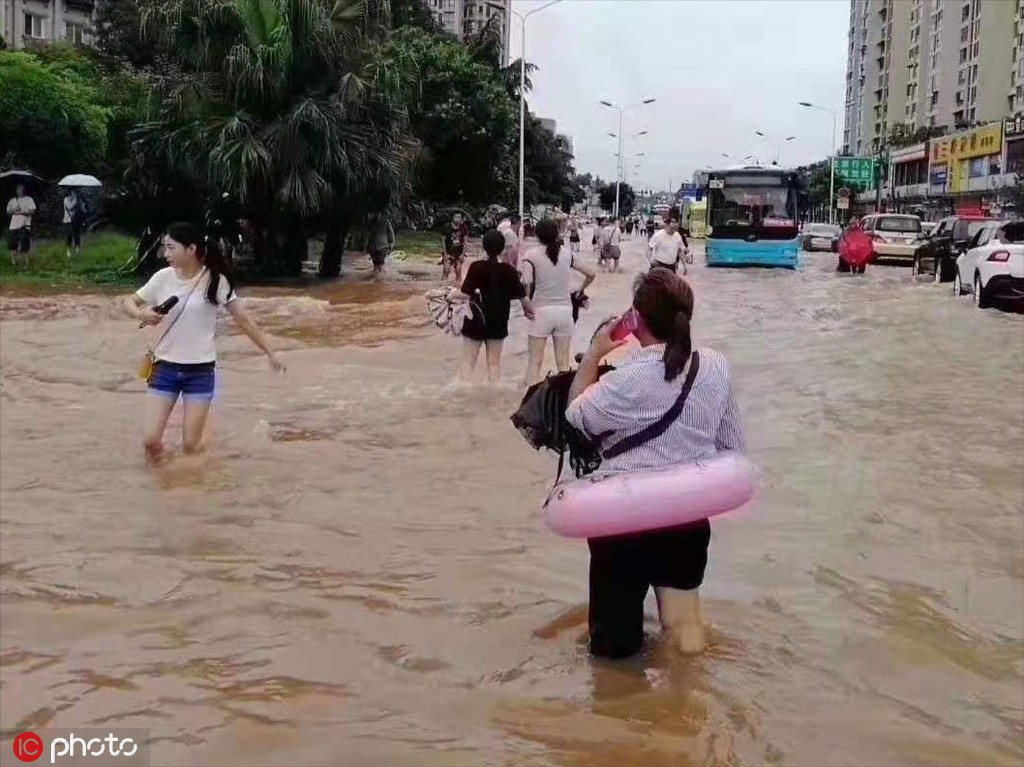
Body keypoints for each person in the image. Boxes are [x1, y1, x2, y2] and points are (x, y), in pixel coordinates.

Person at [565, 269, 746, 659]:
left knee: (615, 649)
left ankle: (622, 714)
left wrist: (596, 353)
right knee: (685, 634)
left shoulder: (626, 379)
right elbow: (731, 445)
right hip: (685, 518)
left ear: (636, 320)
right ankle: (688, 709)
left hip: (622, 521)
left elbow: (576, 416)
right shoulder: (715, 366)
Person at [121, 222, 285, 464]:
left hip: (200, 371)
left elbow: (244, 321)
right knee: (150, 440)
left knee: (190, 444)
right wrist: (140, 314)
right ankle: (159, 485)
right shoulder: (162, 278)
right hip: (164, 368)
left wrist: (270, 352)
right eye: (165, 248)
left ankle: (198, 483)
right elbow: (128, 302)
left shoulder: (216, 281)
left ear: (191, 249)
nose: (165, 254)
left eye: (170, 247)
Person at [454, 230, 536, 383]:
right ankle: (493, 398)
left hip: (475, 319)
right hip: (498, 321)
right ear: (503, 248)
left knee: (467, 362)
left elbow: (465, 294)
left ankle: (460, 394)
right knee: (494, 364)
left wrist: (449, 295)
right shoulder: (509, 271)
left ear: (484, 248)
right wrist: (530, 313)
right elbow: (524, 300)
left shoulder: (476, 267)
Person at [522, 219, 597, 386]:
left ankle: (529, 404)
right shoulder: (568, 254)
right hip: (565, 313)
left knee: (534, 365)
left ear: (537, 234)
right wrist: (579, 289)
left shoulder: (530, 256)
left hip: (540, 313)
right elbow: (591, 273)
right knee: (563, 367)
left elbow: (526, 282)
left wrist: (526, 304)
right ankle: (563, 404)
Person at [6, 184, 36, 266]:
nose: (20, 190)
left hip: (24, 226)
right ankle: (14, 262)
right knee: (12, 246)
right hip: (13, 226)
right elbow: (8, 212)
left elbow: (33, 211)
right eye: (18, 189)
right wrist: (14, 210)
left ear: (24, 190)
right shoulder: (12, 201)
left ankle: (26, 264)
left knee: (24, 247)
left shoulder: (29, 199)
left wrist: (24, 212)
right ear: (16, 190)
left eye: (21, 189)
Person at [442, 217, 467, 283]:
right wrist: (445, 254)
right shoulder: (447, 227)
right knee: (446, 270)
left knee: (458, 270)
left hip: (459, 252)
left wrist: (463, 254)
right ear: (452, 218)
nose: (458, 219)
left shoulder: (463, 228)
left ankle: (458, 287)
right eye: (456, 217)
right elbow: (442, 240)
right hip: (449, 252)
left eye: (459, 217)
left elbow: (465, 242)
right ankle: (442, 287)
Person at [63, 189, 86, 258]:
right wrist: (75, 200)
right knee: (69, 236)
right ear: (70, 192)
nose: (74, 193)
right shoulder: (66, 199)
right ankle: (68, 252)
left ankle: (77, 251)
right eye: (73, 192)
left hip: (76, 220)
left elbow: (83, 210)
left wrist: (82, 205)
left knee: (77, 236)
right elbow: (70, 208)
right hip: (68, 220)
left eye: (75, 192)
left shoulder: (78, 199)